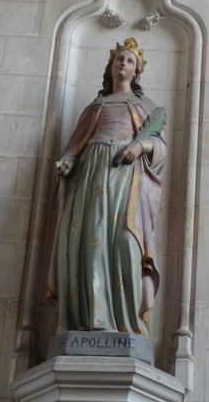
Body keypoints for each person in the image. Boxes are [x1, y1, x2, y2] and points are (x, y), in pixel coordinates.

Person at [50, 37, 167, 335]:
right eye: (119, 59)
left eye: (129, 61)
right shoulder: (96, 107)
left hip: (127, 179)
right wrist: (67, 162)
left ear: (136, 71)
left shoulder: (145, 107)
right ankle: (90, 318)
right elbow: (75, 146)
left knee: (125, 242)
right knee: (89, 240)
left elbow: (160, 147)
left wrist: (141, 147)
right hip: (91, 175)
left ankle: (125, 322)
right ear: (110, 67)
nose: (123, 64)